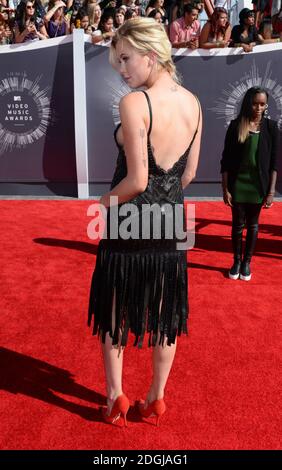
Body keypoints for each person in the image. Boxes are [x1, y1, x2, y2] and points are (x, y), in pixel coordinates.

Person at [88, 17, 202, 426]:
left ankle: (116, 395)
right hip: (171, 221)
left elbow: (136, 181)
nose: (121, 70)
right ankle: (156, 395)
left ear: (151, 55)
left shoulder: (136, 103)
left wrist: (103, 202)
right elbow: (188, 175)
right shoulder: (193, 103)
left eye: (125, 59)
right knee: (164, 311)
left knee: (115, 309)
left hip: (129, 222)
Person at [221, 87, 279, 281]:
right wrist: (225, 188)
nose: (258, 107)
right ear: (247, 103)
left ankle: (247, 262)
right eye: (255, 103)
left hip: (258, 186)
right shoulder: (236, 125)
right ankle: (236, 261)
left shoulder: (271, 127)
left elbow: (274, 163)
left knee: (253, 225)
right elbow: (226, 160)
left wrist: (271, 192)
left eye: (262, 104)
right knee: (237, 225)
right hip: (238, 184)